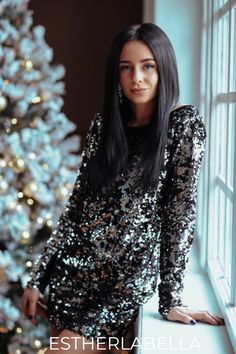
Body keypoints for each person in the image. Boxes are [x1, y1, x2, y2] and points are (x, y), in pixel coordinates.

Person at [21, 23, 225, 354]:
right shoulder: (103, 127)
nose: (137, 78)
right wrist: (38, 278)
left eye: (148, 66)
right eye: (125, 68)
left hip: (126, 284)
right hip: (73, 275)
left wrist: (171, 298)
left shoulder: (182, 126)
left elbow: (180, 213)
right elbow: (76, 208)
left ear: (164, 69)